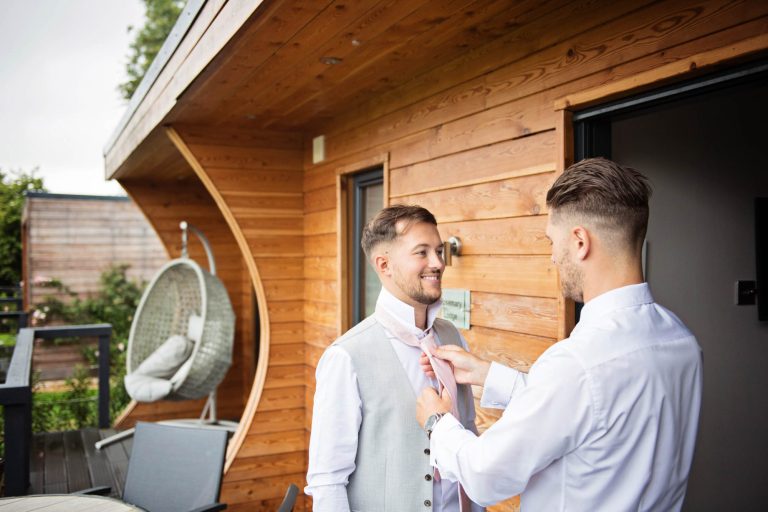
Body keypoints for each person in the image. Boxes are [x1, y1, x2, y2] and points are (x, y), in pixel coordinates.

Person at [416, 157, 703, 511]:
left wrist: (437, 422)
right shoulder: (681, 341)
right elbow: (591, 413)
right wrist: (486, 374)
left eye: (553, 241)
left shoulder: (577, 363)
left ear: (580, 241)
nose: (552, 257)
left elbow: (485, 476)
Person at [306, 204, 484, 512]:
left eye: (439, 251)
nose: (438, 263)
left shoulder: (452, 336)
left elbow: (468, 428)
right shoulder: (346, 357)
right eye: (422, 252)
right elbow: (328, 481)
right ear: (384, 264)